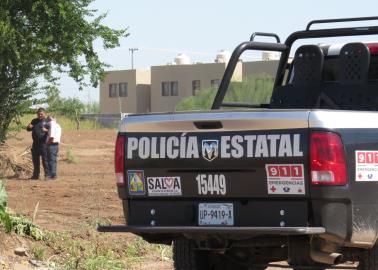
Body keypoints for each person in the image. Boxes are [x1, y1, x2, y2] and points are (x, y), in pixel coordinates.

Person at [26, 108, 49, 180]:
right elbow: (29, 129)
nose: (40, 115)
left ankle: (47, 175)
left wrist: (46, 130)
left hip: (44, 144)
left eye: (41, 114)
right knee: (35, 161)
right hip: (35, 144)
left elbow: (53, 131)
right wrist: (28, 127)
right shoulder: (34, 121)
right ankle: (35, 176)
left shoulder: (47, 121)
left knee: (45, 161)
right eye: (38, 114)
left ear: (44, 114)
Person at [44, 115, 61, 180]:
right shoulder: (57, 125)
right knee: (53, 160)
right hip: (55, 145)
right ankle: (53, 174)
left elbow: (51, 137)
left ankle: (52, 175)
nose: (48, 120)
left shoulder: (52, 124)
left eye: (49, 118)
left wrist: (47, 144)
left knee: (51, 160)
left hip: (51, 144)